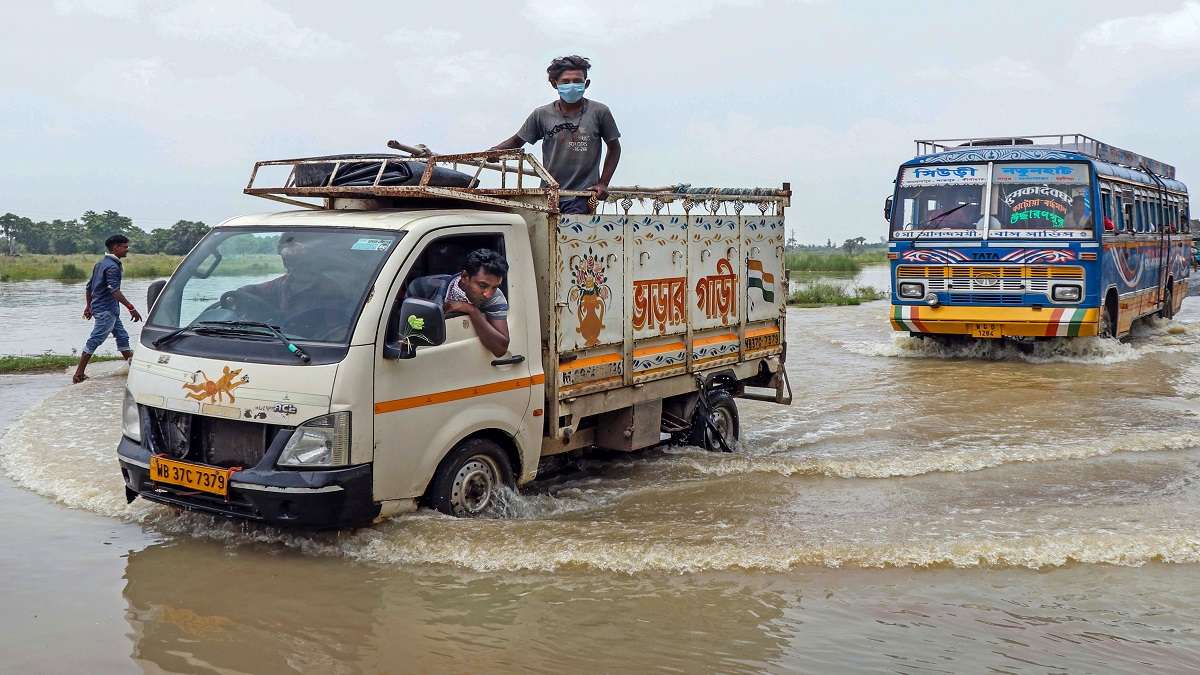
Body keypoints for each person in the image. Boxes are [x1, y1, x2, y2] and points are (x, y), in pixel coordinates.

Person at [490, 55, 621, 215]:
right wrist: (494, 151)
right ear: (554, 84)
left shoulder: (599, 112)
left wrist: (603, 183)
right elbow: (518, 140)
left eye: (577, 81)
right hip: (549, 193)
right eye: (566, 81)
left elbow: (614, 148)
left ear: (586, 84)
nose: (572, 85)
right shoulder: (542, 114)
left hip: (581, 195)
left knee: (570, 236)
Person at [407, 249, 510, 357]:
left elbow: (500, 349)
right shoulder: (423, 287)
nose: (488, 294)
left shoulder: (495, 296)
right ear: (465, 277)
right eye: (482, 286)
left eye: (494, 287)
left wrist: (471, 310)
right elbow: (403, 335)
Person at [73, 234, 141, 383]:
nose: (127, 250)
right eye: (125, 247)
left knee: (122, 337)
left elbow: (89, 287)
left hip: (107, 309)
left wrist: (88, 306)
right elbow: (114, 291)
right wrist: (131, 307)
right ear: (115, 247)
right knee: (95, 339)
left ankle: (136, 371)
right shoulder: (112, 267)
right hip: (106, 311)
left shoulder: (101, 263)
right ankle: (78, 374)